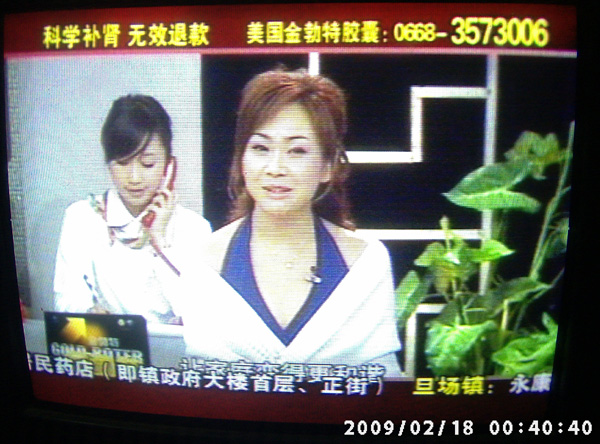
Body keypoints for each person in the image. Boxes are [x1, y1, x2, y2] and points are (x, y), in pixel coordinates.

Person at [182, 69, 402, 376]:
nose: (275, 168)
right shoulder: (203, 263)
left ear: (327, 166)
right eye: (261, 148)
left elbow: (382, 381)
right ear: (241, 159)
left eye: (297, 151)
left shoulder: (365, 263)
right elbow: (200, 384)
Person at [53, 94, 211, 324]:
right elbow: (67, 302)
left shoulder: (194, 228)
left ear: (169, 166)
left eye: (148, 164)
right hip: (105, 343)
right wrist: (88, 313)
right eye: (122, 163)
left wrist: (160, 240)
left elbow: (197, 315)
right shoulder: (82, 217)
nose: (134, 178)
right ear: (108, 163)